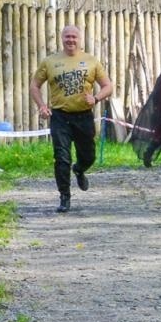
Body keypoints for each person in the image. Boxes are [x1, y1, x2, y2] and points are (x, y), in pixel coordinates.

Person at [30, 25, 114, 213]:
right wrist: (42, 106)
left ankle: (80, 169)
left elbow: (108, 85)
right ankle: (64, 197)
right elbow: (34, 86)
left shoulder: (91, 61)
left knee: (89, 155)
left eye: (74, 37)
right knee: (61, 157)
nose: (70, 40)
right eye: (67, 37)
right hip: (60, 116)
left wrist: (96, 98)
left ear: (80, 39)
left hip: (83, 116)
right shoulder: (50, 62)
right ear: (62, 39)